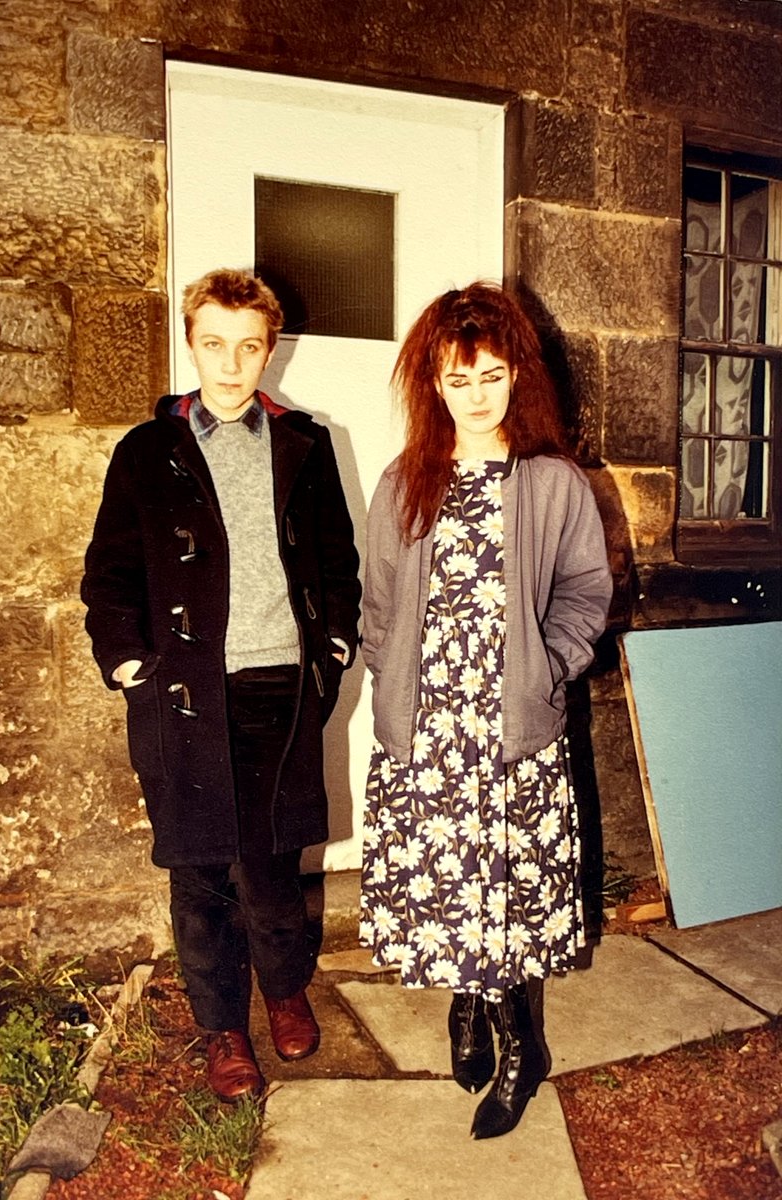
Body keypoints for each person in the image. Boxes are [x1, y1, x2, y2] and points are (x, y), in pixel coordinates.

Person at [82, 268, 361, 1104]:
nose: (231, 364)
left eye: (248, 347)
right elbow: (109, 574)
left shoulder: (304, 445)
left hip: (282, 683)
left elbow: (337, 562)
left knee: (273, 859)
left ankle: (284, 988)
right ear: (191, 345)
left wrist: (333, 647)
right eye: (214, 345)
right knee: (201, 866)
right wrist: (129, 663)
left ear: (269, 350)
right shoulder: (146, 452)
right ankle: (223, 1027)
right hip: (184, 694)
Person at [359, 281, 611, 1139]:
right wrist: (395, 678)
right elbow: (378, 605)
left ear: (517, 377)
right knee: (451, 882)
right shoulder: (404, 482)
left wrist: (550, 669)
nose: (476, 396)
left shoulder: (552, 482)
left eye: (491, 376)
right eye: (458, 379)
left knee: (506, 886)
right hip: (429, 727)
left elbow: (585, 591)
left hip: (513, 728)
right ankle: (467, 1003)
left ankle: (519, 1049)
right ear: (433, 383)